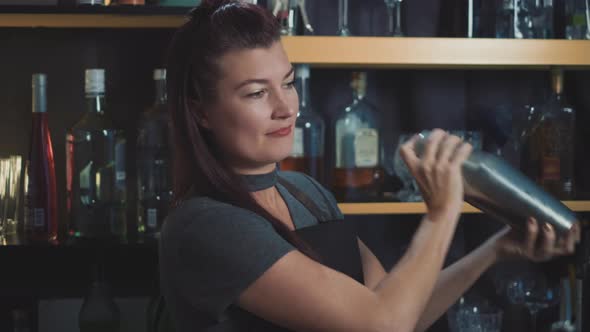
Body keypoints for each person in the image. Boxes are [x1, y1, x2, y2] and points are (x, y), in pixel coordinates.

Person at [158, 1, 581, 331]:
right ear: (201, 112)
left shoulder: (306, 191)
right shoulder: (204, 225)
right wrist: (441, 213)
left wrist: (495, 251)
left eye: (287, 83)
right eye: (255, 93)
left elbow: (399, 309)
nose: (285, 107)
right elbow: (382, 324)